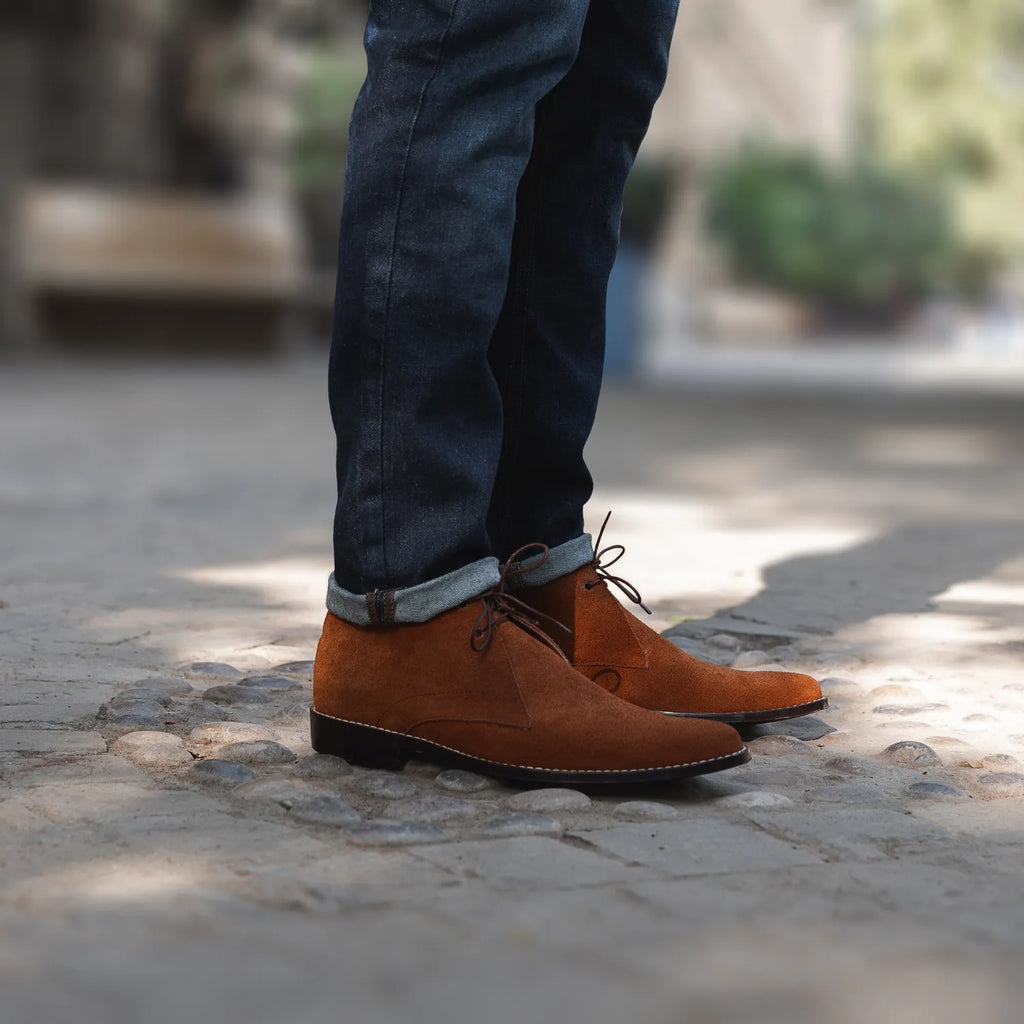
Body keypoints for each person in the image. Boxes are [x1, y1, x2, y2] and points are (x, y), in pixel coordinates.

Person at [311, 0, 826, 784]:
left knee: (601, 83)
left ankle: (528, 568)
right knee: (476, 39)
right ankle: (405, 606)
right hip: (400, 607)